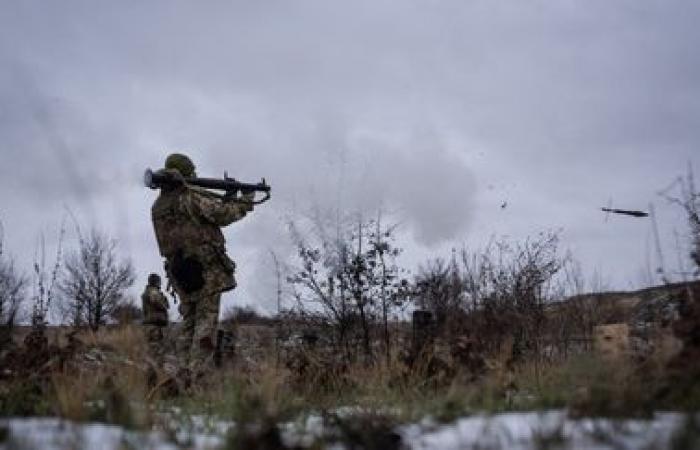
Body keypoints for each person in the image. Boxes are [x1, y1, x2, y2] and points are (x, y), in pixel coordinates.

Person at [150, 153, 254, 378]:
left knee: (189, 323)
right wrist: (245, 200)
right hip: (204, 269)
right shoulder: (188, 196)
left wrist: (227, 196)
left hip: (179, 272)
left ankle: (179, 374)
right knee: (205, 324)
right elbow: (222, 214)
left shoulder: (159, 205)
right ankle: (198, 377)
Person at [141, 273, 170, 357]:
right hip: (154, 325)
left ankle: (153, 368)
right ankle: (154, 369)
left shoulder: (148, 291)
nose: (160, 283)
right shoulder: (153, 291)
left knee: (153, 350)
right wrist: (164, 304)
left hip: (152, 324)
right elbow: (157, 302)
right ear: (157, 282)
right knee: (155, 351)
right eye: (159, 281)